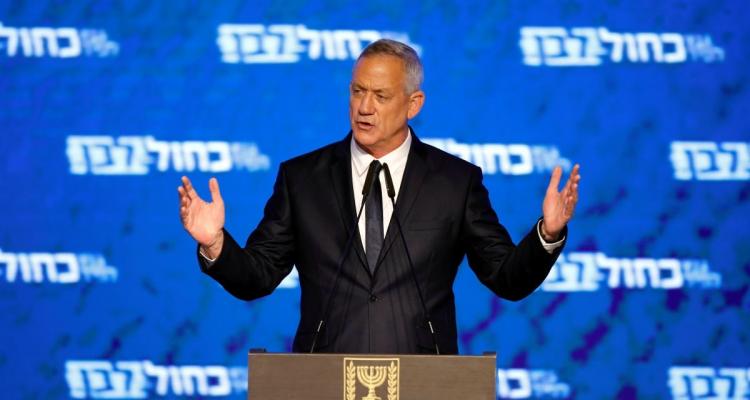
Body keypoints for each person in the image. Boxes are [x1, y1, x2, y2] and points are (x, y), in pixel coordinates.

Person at [178, 39, 580, 354]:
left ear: (413, 104)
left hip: (424, 380)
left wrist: (547, 234)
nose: (364, 107)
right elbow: (257, 277)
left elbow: (507, 279)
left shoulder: (455, 182)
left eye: (381, 96)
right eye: (358, 92)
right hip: (324, 379)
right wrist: (215, 244)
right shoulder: (302, 179)